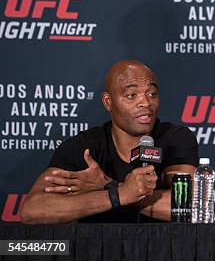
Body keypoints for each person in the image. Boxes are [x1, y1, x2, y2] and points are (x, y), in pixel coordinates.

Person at [20, 60, 198, 223]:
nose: (145, 102)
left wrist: (108, 186)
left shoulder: (175, 138)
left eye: (152, 94)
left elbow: (189, 207)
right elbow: (33, 210)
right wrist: (119, 194)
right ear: (108, 102)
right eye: (131, 95)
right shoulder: (85, 148)